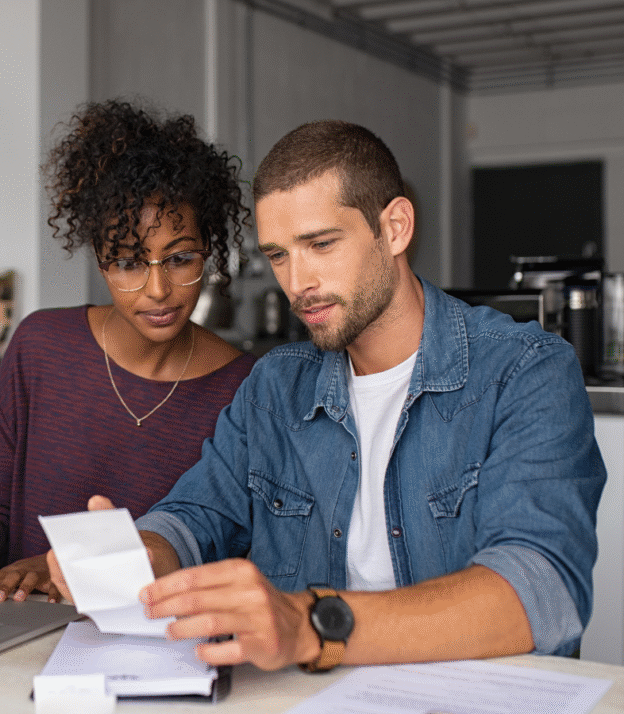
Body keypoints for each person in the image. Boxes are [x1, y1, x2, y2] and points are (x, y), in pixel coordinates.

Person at [48, 119, 606, 671]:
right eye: (279, 254)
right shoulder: (274, 388)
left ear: (395, 228)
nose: (297, 282)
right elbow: (196, 515)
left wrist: (313, 625)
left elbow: (541, 590)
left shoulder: (525, 370)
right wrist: (141, 553)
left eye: (320, 244)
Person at [0, 100, 257, 603]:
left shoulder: (243, 388)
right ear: (101, 262)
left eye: (180, 258)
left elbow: (219, 548)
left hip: (151, 646)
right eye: (128, 262)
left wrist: (60, 568)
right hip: (17, 626)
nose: (157, 289)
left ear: (208, 252)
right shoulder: (39, 347)